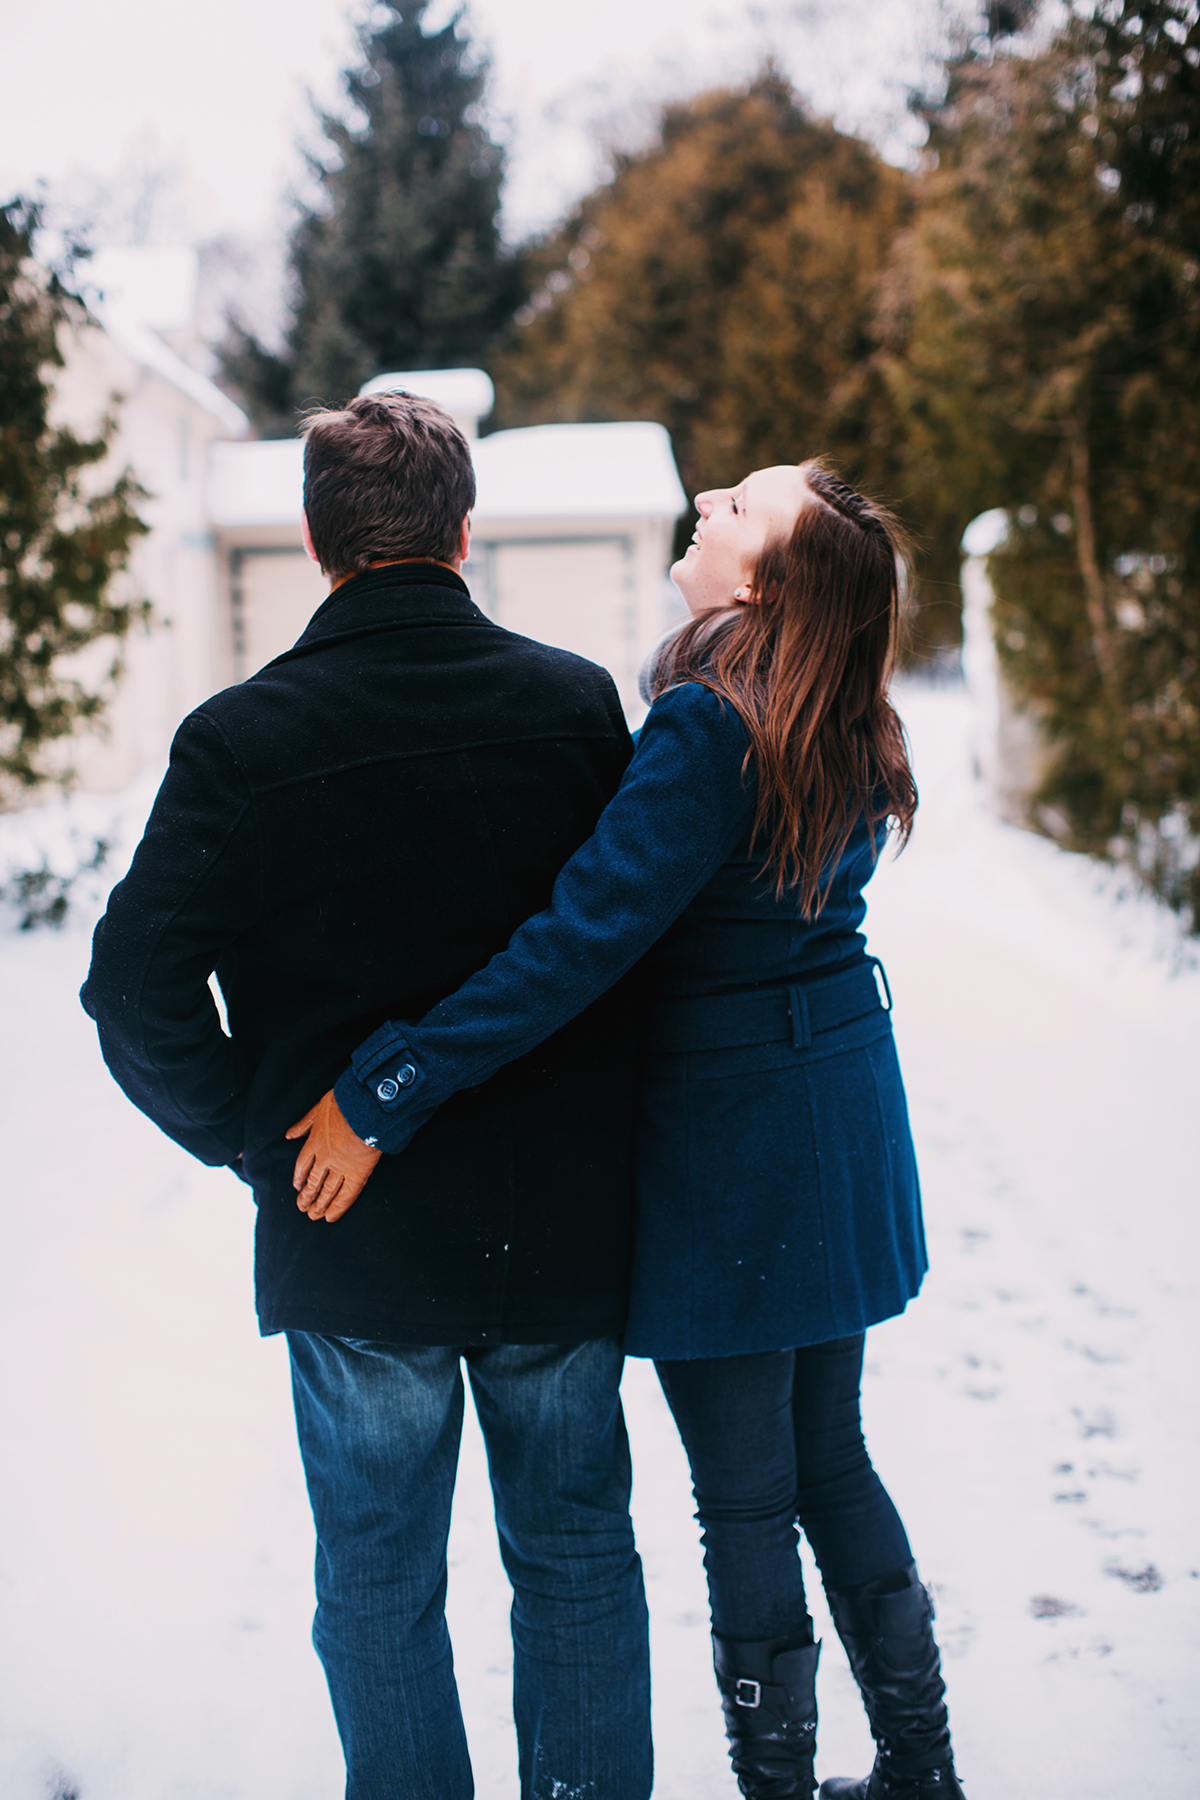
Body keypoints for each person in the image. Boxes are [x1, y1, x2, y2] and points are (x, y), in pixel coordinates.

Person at [290, 459, 968, 1800]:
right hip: (836, 1110)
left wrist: (393, 1081)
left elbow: (576, 944)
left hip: (739, 1146)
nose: (709, 496)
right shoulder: (834, 708)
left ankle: (785, 1785)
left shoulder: (709, 727)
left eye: (741, 506)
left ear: (766, 581)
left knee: (748, 1498)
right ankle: (921, 1767)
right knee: (829, 1456)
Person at [80, 391, 654, 1800]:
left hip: (359, 1237)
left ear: (313, 541)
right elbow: (623, 955)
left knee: (381, 1583)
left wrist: (255, 1145)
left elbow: (133, 988)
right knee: (575, 1560)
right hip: (561, 1231)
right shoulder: (573, 706)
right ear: (465, 531)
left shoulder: (241, 742)